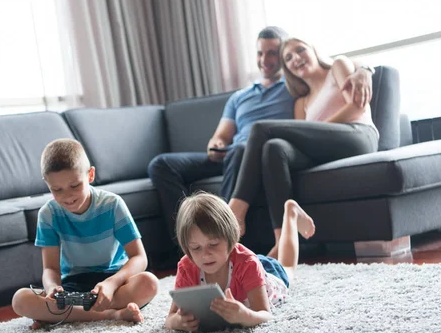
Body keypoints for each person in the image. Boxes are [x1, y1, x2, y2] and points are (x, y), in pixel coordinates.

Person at [147, 26, 372, 252]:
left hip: (251, 149)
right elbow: (222, 136)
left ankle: (230, 217)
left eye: (274, 53)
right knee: (162, 164)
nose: (266, 59)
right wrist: (216, 145)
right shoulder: (290, 98)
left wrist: (364, 69)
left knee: (256, 137)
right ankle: (277, 242)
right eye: (261, 53)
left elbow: (353, 90)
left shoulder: (292, 87)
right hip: (233, 152)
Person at [228, 37, 380, 258]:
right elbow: (302, 143)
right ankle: (283, 240)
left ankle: (235, 211)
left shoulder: (337, 66)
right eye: (288, 58)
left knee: (261, 129)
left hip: (359, 136)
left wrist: (317, 129)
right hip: (326, 151)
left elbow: (357, 107)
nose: (296, 58)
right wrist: (313, 133)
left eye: (300, 50)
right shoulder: (302, 102)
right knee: (274, 147)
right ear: (287, 69)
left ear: (314, 50)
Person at [12, 138, 159, 328]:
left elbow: (139, 257)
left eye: (75, 186)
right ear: (47, 184)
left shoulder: (112, 205)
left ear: (90, 175)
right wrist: (51, 289)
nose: (67, 196)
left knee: (149, 282)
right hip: (74, 285)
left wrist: (112, 283)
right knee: (20, 299)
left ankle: (63, 316)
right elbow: (51, 269)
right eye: (57, 189)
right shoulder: (48, 214)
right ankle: (113, 314)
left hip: (114, 280)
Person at [165, 192, 315, 331]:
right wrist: (177, 322)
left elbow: (265, 315)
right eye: (196, 248)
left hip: (266, 272)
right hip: (245, 267)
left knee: (288, 267)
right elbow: (169, 318)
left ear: (231, 239)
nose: (205, 255)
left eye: (213, 244)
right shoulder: (187, 267)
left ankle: (291, 213)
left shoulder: (247, 263)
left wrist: (245, 316)